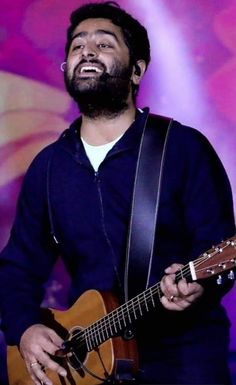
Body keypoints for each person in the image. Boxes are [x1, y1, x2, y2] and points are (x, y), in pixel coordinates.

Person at [0, 1, 235, 384]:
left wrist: (198, 289)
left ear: (137, 70)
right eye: (77, 46)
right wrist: (24, 328)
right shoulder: (48, 166)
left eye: (104, 43)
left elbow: (222, 247)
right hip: (86, 364)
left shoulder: (182, 148)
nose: (87, 51)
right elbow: (18, 268)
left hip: (183, 361)